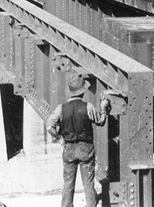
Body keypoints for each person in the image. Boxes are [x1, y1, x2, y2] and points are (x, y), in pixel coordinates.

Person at [46, 71, 111, 207]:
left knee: (68, 183)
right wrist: (104, 109)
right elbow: (101, 121)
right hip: (86, 149)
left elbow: (49, 126)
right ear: (82, 92)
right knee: (88, 184)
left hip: (69, 148)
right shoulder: (88, 107)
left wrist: (59, 138)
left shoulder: (61, 108)